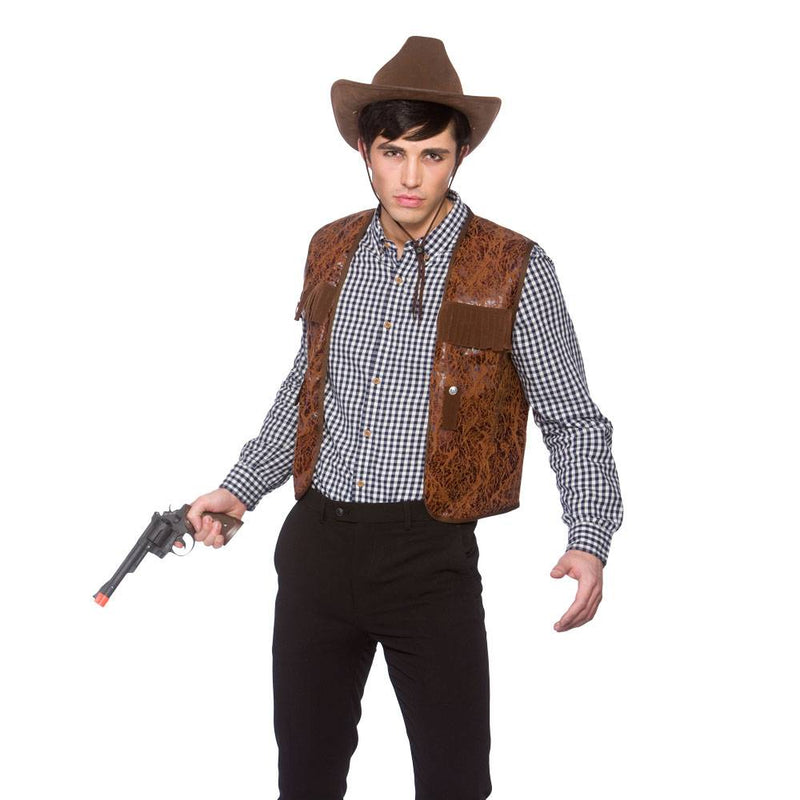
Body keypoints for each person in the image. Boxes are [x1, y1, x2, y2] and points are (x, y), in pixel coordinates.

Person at [188, 36, 623, 800]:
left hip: (428, 556)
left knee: (455, 783)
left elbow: (573, 420)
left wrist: (589, 538)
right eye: (393, 153)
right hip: (317, 547)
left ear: (461, 156)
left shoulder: (513, 268)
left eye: (432, 154)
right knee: (306, 778)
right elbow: (306, 387)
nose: (412, 176)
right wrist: (241, 487)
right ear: (365, 151)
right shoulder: (331, 247)